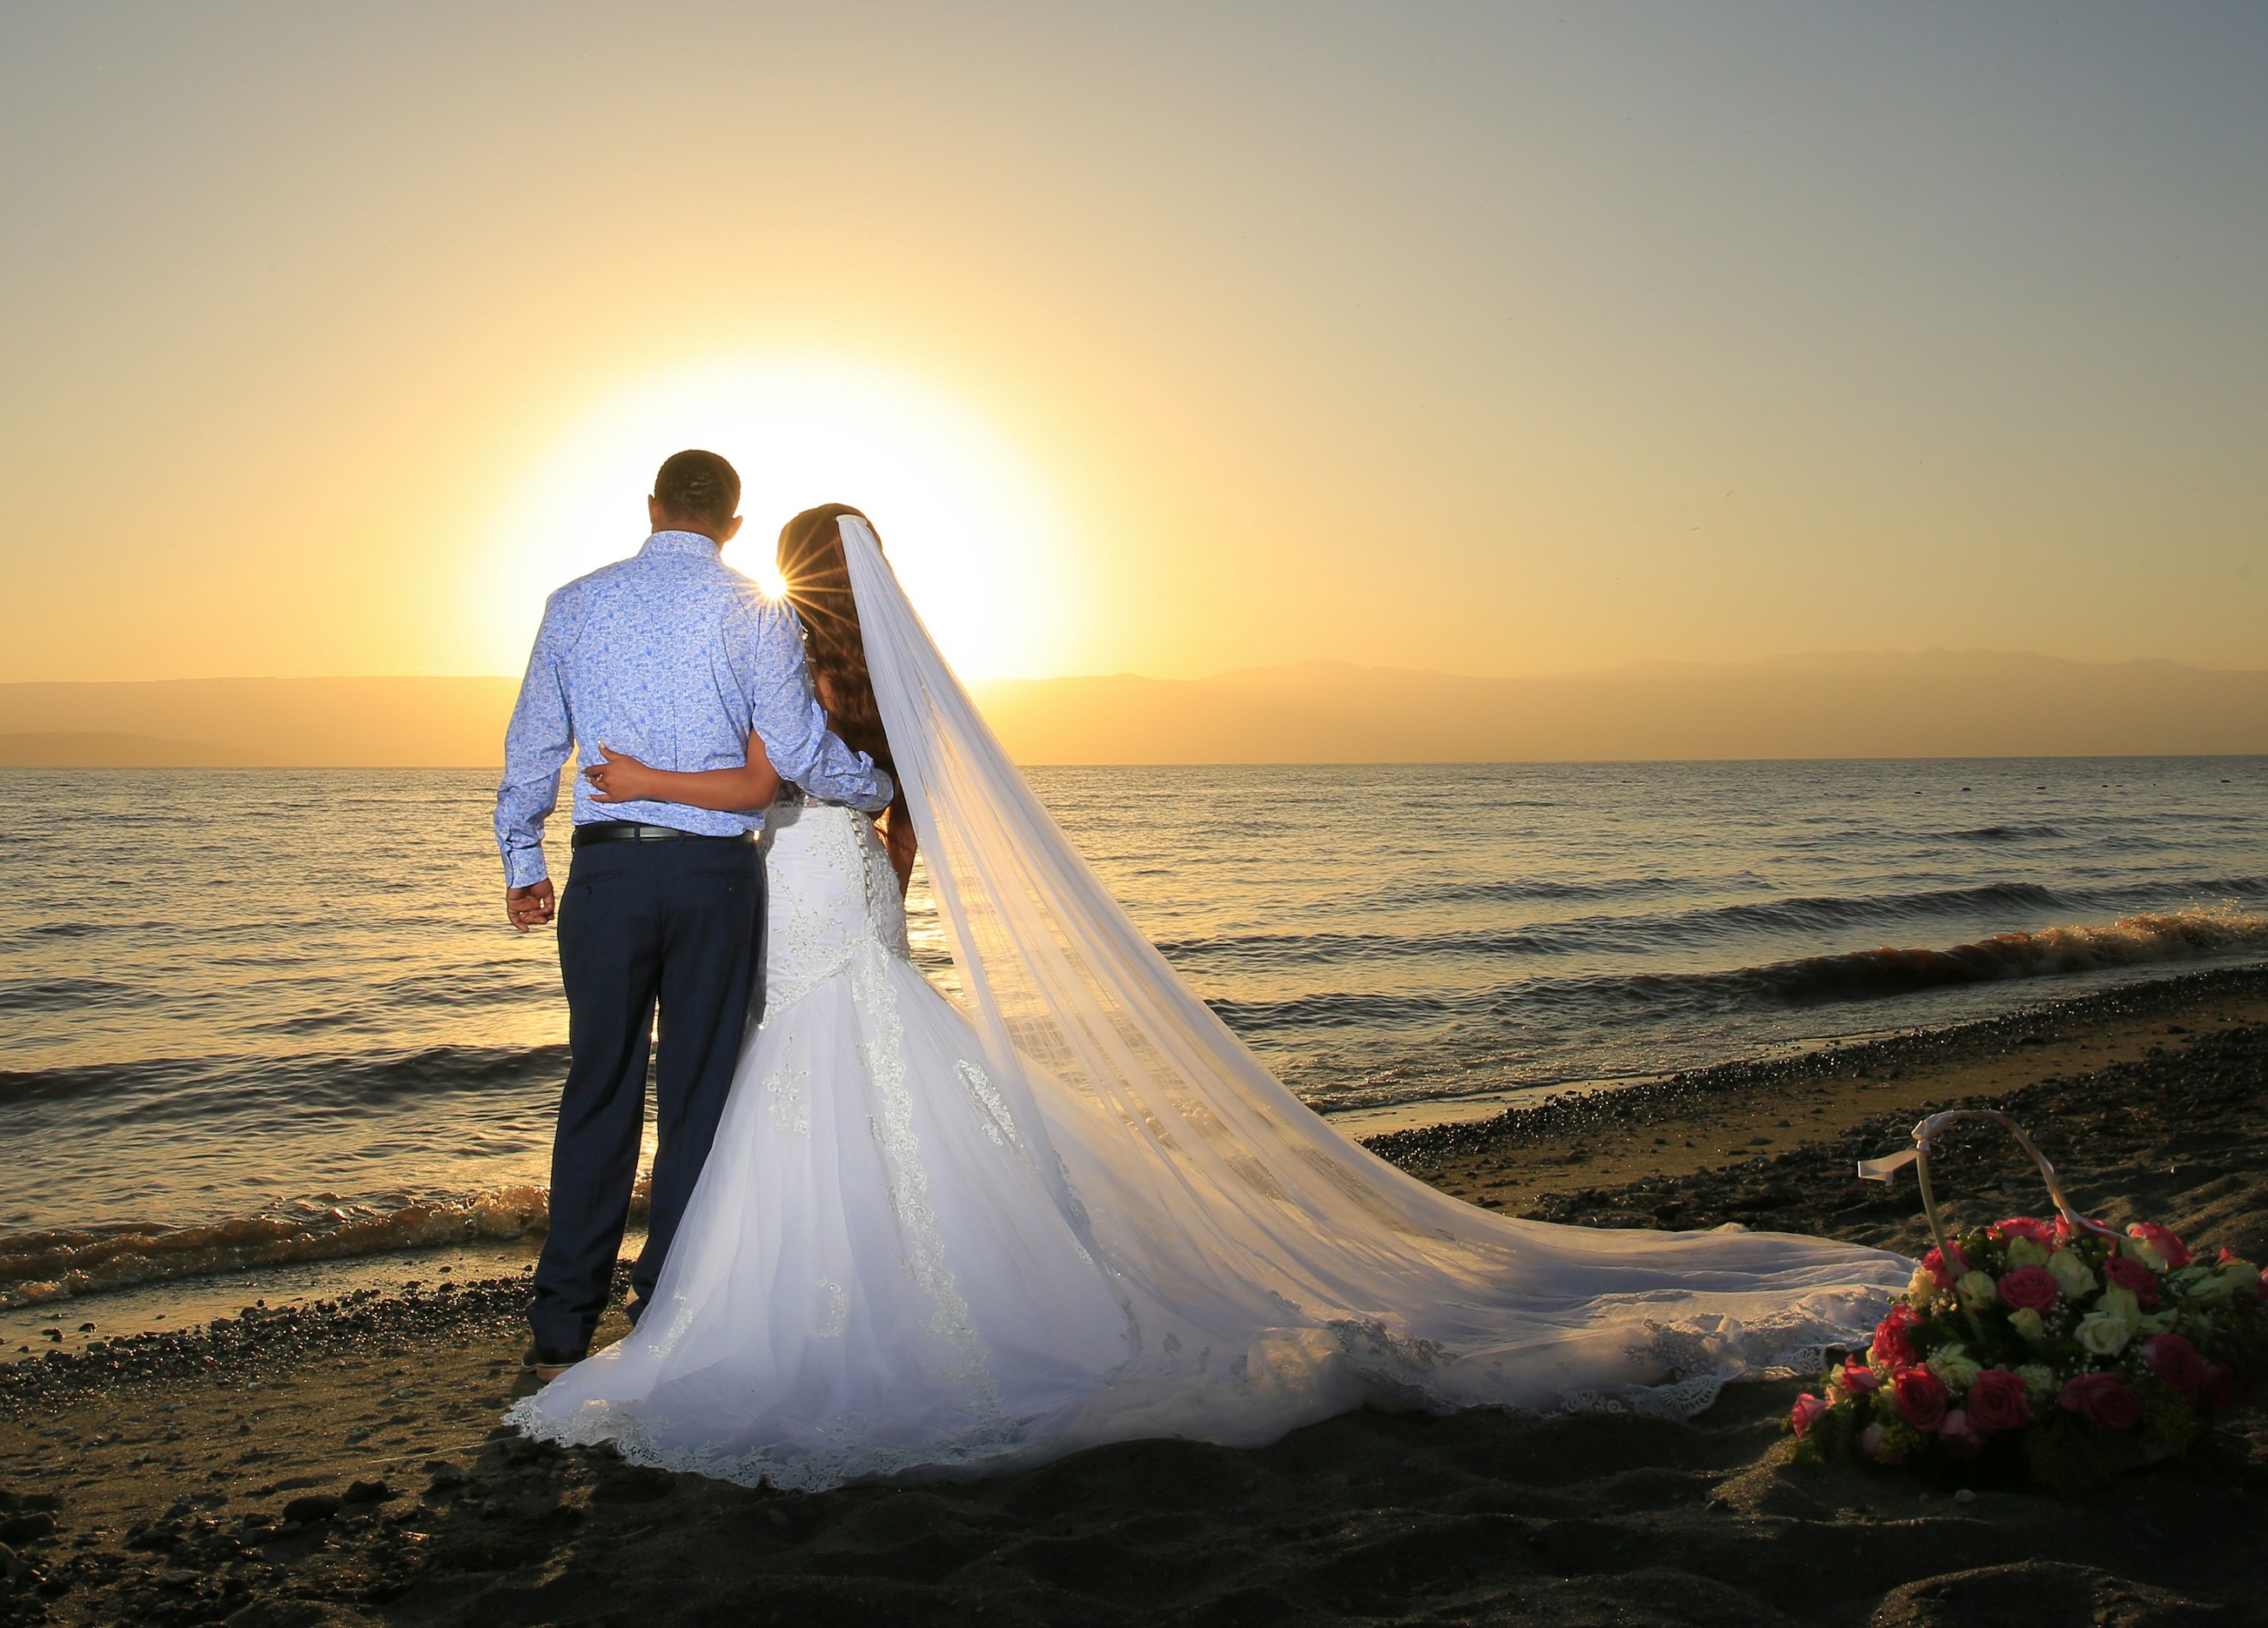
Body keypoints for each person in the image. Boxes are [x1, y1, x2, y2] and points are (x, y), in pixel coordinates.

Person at [511, 506, 1911, 1487]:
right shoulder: (877, 683)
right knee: (866, 1079)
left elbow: (773, 781)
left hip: (798, 883)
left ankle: (710, 1313)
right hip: (856, 894)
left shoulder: (780, 661)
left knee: (799, 1088)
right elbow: (891, 808)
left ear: (793, 575)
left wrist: (652, 794)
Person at [493, 453, 896, 1376]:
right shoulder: (756, 608)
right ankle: (664, 1302)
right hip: (717, 879)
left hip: (605, 878)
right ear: (735, 525)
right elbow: (796, 751)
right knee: (697, 1096)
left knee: (597, 1088)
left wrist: (524, 858)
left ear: (652, 507)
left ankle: (561, 1324)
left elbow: (532, 744)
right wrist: (871, 784)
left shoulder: (574, 602)